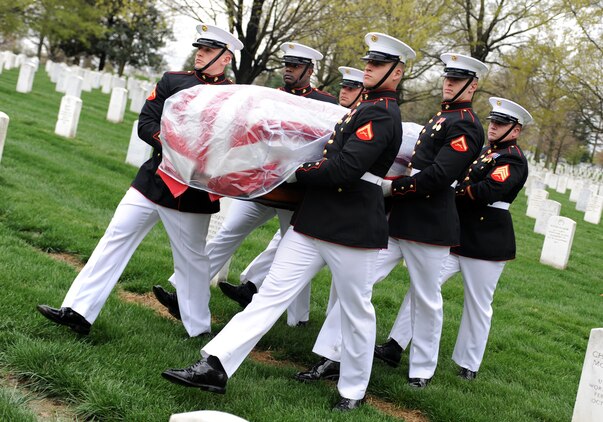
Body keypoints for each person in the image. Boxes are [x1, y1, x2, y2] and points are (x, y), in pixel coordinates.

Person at [160, 32, 414, 412]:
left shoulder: (381, 113)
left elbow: (345, 169)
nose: (367, 67)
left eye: (376, 64)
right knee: (270, 295)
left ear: (396, 74)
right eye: (368, 61)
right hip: (316, 219)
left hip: (351, 226)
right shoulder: (365, 108)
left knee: (357, 309)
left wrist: (294, 172)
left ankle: (353, 390)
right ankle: (215, 364)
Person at [36, 24, 243, 338]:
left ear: (225, 58)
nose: (199, 54)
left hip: (192, 194)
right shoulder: (174, 80)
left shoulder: (234, 97)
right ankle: (78, 311)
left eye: (208, 50)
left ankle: (198, 329)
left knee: (191, 263)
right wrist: (172, 146)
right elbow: (147, 122)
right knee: (113, 240)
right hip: (153, 180)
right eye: (199, 48)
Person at [154, 42, 337, 327]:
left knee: (294, 251)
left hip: (295, 192)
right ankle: (183, 293)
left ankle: (297, 319)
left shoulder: (325, 104)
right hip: (258, 187)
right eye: (287, 66)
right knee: (227, 233)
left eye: (296, 67)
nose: (289, 71)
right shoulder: (267, 97)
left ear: (310, 71)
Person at [376, 97, 532, 381]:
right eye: (493, 121)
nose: (495, 127)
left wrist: (447, 190)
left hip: (486, 241)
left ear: (516, 130)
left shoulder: (514, 160)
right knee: (424, 289)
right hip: (457, 232)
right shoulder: (484, 152)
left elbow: (486, 191)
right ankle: (395, 345)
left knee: (478, 304)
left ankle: (468, 364)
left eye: (502, 123)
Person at [373, 53, 488, 389]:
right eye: (447, 77)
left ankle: (421, 370)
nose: (448, 83)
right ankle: (335, 351)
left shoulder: (466, 124)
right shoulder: (442, 116)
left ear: (473, 85)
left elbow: (439, 175)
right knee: (360, 279)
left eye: (457, 79)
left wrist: (393, 186)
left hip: (429, 222)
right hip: (403, 216)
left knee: (425, 299)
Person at [217, 65, 364, 317]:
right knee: (281, 244)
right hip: (274, 184)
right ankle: (255, 290)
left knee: (295, 250)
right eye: (343, 87)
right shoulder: (283, 97)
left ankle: (295, 314)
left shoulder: (341, 111)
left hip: (313, 191)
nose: (344, 92)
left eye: (351, 88)